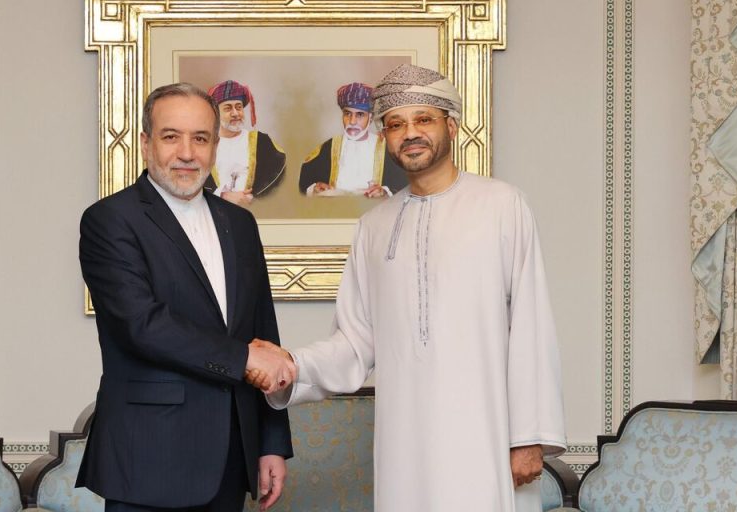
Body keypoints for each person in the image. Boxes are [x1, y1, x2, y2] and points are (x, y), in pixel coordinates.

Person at [251, 64, 566, 512]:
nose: (410, 133)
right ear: (384, 139)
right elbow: (355, 343)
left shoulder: (501, 206)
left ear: (451, 126)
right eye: (396, 124)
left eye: (424, 120)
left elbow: (532, 325)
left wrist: (528, 437)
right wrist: (291, 366)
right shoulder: (373, 227)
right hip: (405, 446)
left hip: (487, 437)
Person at [76, 82, 296, 512]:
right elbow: (141, 325)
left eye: (200, 138)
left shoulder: (240, 223)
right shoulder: (109, 220)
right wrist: (245, 359)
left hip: (233, 456)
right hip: (149, 457)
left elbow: (262, 331)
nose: (187, 153)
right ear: (145, 144)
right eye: (170, 136)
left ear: (215, 145)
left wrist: (272, 442)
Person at [298, 82, 406, 198]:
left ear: (370, 118)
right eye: (347, 114)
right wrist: (314, 189)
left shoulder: (387, 149)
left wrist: (384, 192)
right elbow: (305, 182)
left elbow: (404, 185)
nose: (352, 121)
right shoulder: (329, 147)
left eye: (359, 115)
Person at [203, 80, 286, 206]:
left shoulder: (262, 142)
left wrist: (253, 197)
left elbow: (279, 173)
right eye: (228, 108)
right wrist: (222, 195)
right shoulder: (203, 145)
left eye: (239, 107)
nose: (235, 113)